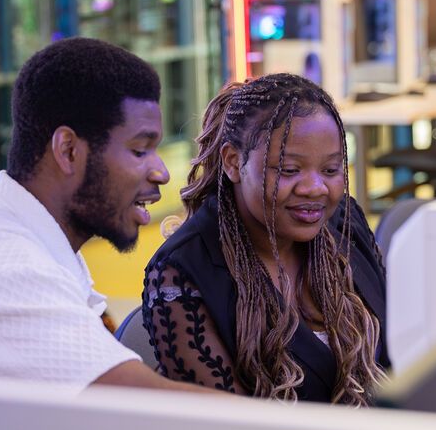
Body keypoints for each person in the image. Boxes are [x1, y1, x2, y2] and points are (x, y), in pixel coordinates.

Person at [0, 37, 211, 396]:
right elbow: (140, 404)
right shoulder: (6, 272)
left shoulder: (24, 238)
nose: (161, 172)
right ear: (68, 150)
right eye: (139, 150)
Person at [142, 73, 390, 405]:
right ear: (233, 162)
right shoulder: (182, 271)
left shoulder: (343, 221)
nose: (315, 188)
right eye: (289, 170)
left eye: (330, 170)